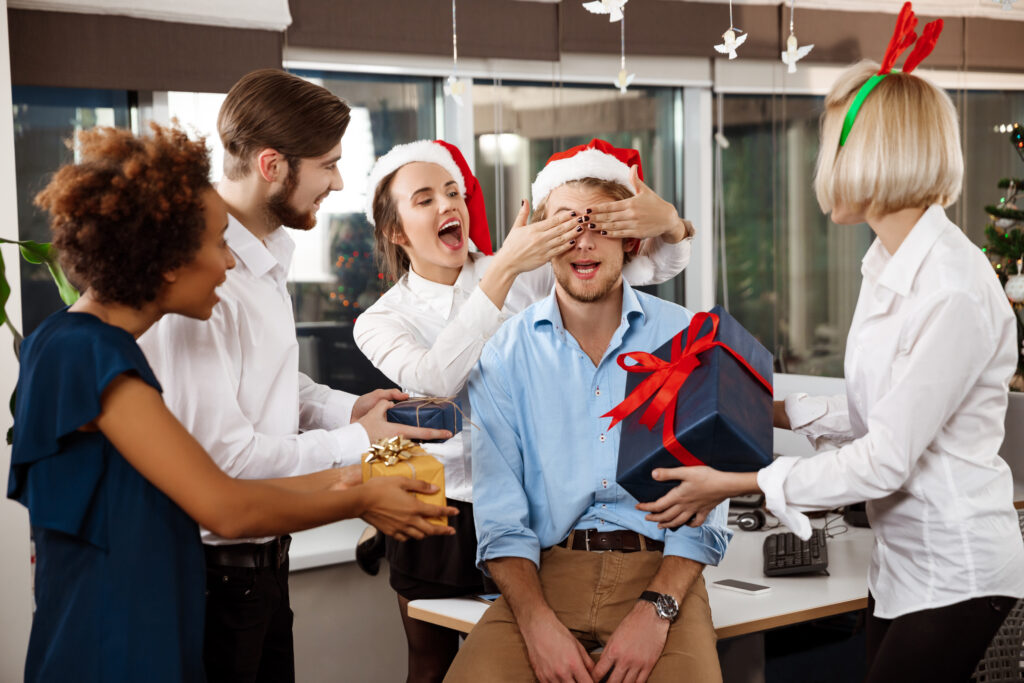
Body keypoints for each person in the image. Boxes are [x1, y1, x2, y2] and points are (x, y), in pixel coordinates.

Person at [8, 123, 457, 683]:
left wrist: (358, 477)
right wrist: (359, 498)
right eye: (219, 242)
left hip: (138, 622)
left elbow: (207, 490)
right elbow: (226, 506)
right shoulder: (90, 355)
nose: (228, 263)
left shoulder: (65, 339)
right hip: (115, 641)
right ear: (168, 257)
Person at [637, 37, 1024, 683]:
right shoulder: (888, 264)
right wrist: (763, 407)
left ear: (872, 154)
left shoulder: (951, 288)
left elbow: (887, 457)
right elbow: (884, 409)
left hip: (957, 570)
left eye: (829, 146)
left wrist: (736, 481)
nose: (822, 167)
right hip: (902, 565)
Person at [138, 70, 448, 683]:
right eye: (328, 165)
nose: (338, 182)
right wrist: (361, 442)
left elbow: (271, 382)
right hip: (216, 576)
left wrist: (349, 409)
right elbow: (228, 462)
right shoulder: (203, 276)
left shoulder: (269, 250)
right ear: (272, 165)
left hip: (264, 563)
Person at [355, 138, 695, 682]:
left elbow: (642, 266)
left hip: (533, 510)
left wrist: (669, 223)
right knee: (430, 664)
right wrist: (506, 268)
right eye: (425, 199)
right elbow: (438, 381)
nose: (448, 205)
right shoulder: (381, 319)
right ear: (396, 231)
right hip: (440, 509)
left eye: (453, 192)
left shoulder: (527, 269)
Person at [442, 143, 730, 683]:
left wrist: (658, 609)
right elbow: (501, 519)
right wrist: (536, 624)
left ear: (630, 238)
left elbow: (709, 503)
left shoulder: (686, 339)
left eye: (600, 224)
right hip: (545, 576)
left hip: (662, 575)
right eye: (565, 225)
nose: (583, 241)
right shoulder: (503, 353)